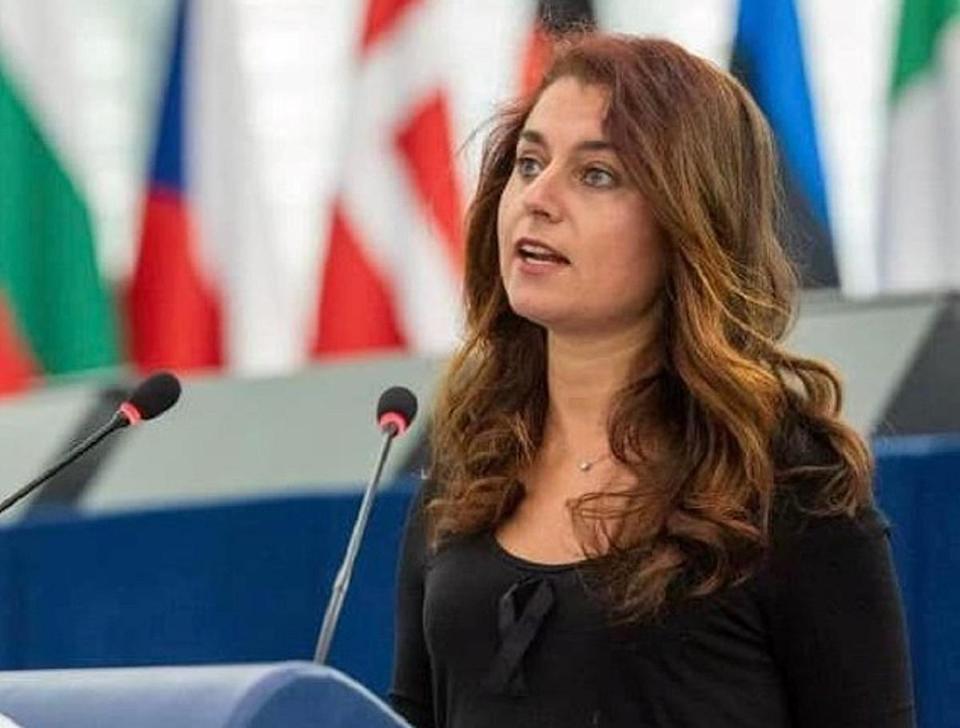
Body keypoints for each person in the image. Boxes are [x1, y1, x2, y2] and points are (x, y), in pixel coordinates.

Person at [389, 33, 915, 728]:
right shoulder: (467, 474)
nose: (538, 197)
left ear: (686, 221)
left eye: (596, 175)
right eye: (529, 163)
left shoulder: (787, 486)